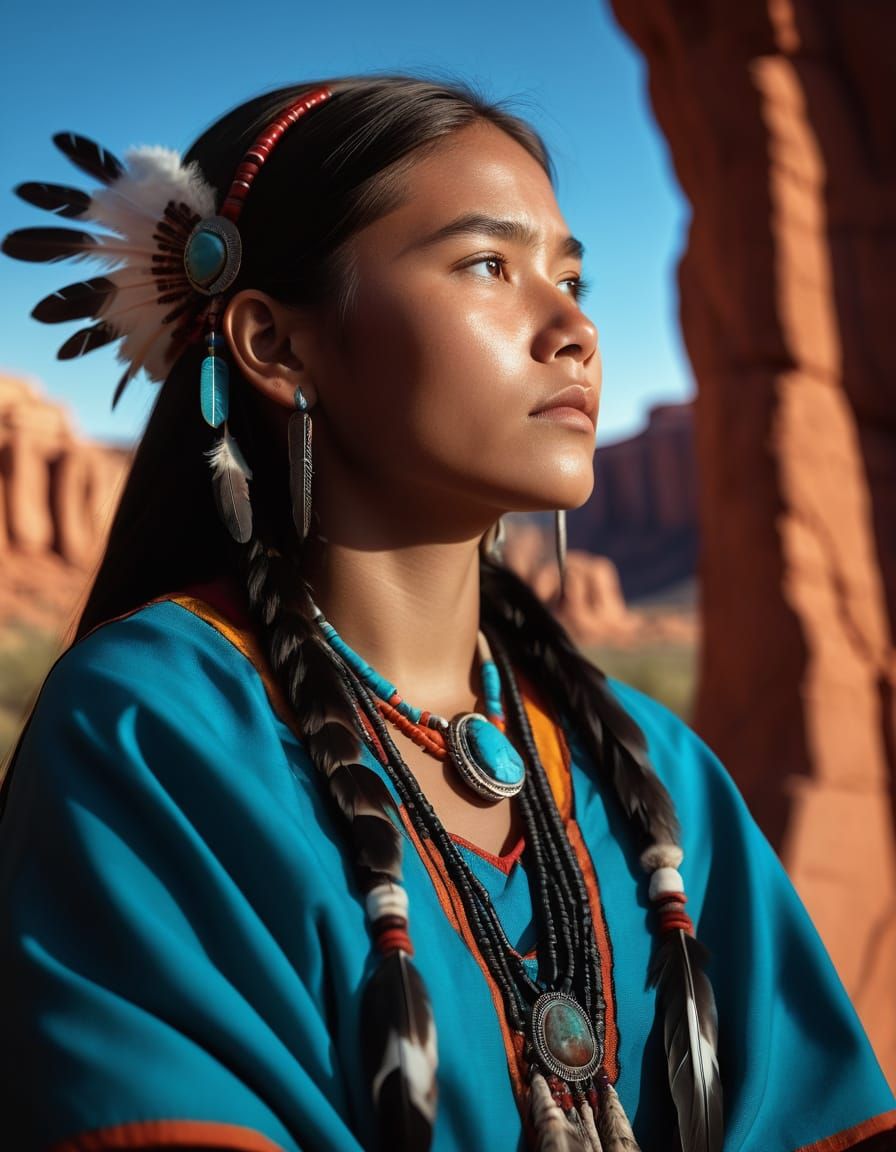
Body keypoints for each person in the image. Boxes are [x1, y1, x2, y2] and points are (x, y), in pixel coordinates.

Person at [0, 75, 892, 1152]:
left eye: (572, 275)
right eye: (488, 264)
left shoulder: (655, 774)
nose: (573, 327)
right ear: (274, 346)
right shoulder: (152, 729)